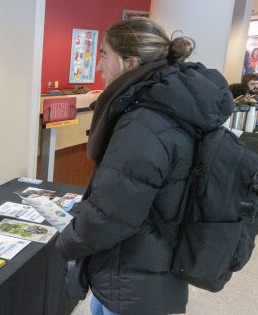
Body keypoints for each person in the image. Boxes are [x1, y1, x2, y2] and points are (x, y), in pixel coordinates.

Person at [55, 18, 233, 315]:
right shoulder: (164, 106)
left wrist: (67, 239)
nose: (99, 66)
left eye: (103, 55)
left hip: (133, 278)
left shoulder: (144, 123)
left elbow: (110, 215)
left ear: (130, 62)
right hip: (144, 267)